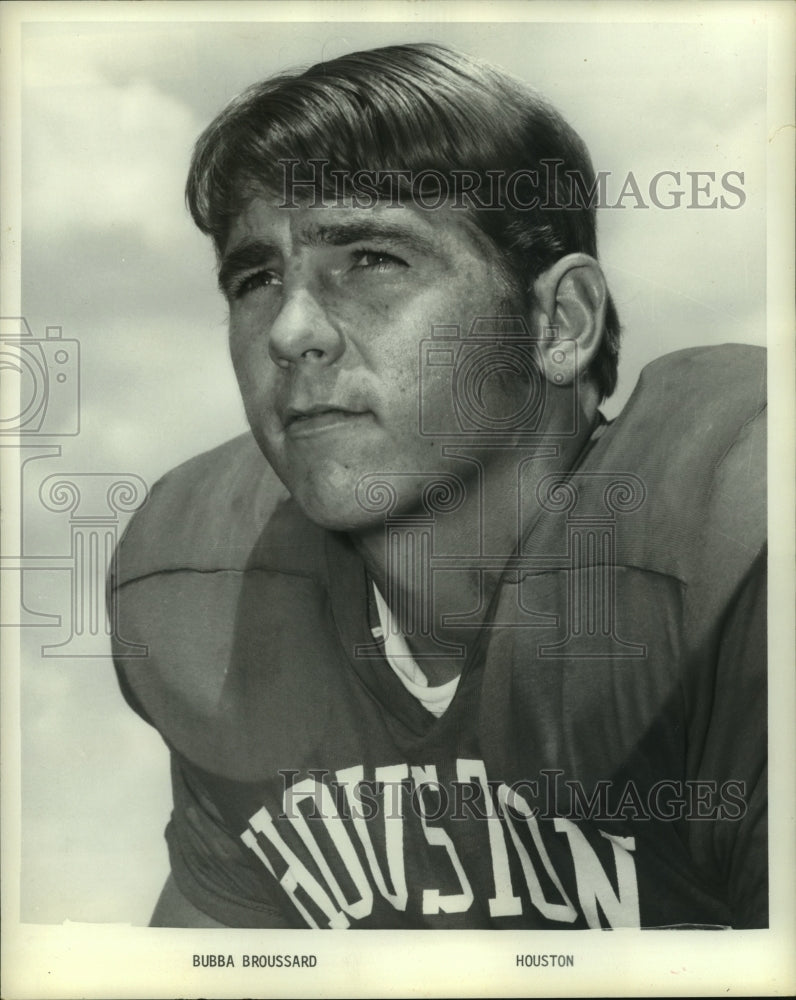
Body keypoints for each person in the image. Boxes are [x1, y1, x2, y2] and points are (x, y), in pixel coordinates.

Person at [110, 42, 767, 929]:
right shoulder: (212, 590)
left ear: (559, 322)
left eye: (374, 259)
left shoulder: (731, 538)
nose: (291, 329)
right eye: (256, 278)